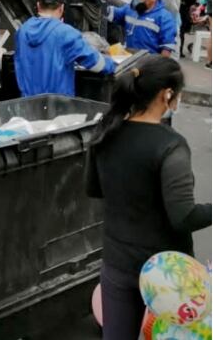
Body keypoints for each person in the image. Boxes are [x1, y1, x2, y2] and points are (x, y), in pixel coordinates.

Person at [86, 55, 211, 340]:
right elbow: (184, 217)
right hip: (168, 273)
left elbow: (93, 188)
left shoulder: (105, 132)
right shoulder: (170, 145)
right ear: (167, 94)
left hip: (118, 262)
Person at [14, 0, 116, 97]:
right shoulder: (66, 33)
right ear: (62, 8)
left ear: (38, 5)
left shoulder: (22, 31)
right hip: (58, 104)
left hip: (27, 102)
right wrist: (112, 64)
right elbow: (96, 63)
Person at [109, 0, 177, 56]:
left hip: (148, 61)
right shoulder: (130, 9)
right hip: (129, 58)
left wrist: (158, 63)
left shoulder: (164, 18)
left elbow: (166, 50)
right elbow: (110, 12)